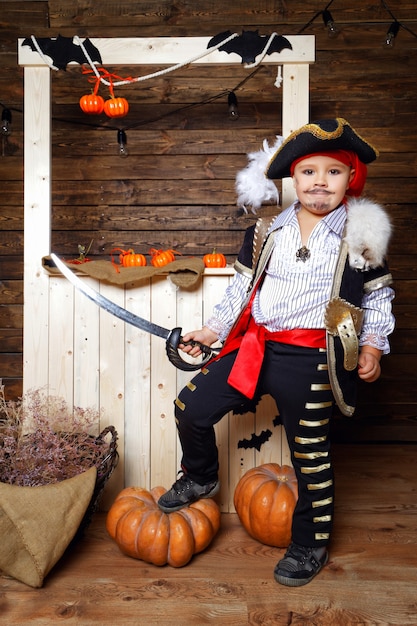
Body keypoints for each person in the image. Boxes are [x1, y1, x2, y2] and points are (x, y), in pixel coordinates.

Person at [157, 118, 395, 587]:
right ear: (292, 178)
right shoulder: (268, 230)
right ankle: (201, 475)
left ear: (351, 178)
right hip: (256, 345)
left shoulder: (362, 233)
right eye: (309, 172)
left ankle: (310, 541)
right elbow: (243, 288)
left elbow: (378, 299)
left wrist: (372, 345)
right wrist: (211, 330)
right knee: (191, 407)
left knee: (311, 453)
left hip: (312, 358)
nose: (320, 182)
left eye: (333, 172)